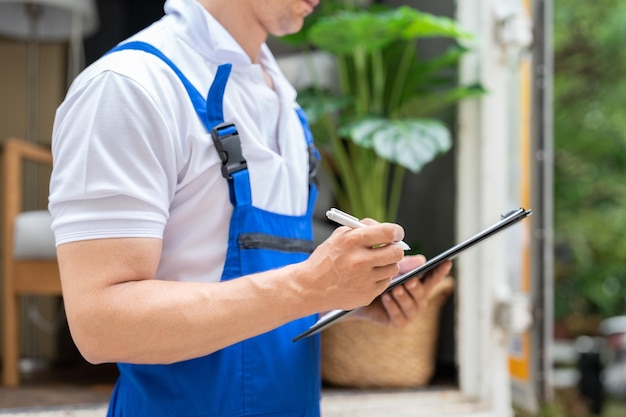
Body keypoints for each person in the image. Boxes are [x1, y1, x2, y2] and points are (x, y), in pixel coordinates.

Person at [48, 0, 452, 416]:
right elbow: (100, 325)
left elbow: (266, 291)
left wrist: (344, 296)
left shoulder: (288, 109)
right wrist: (308, 286)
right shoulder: (130, 87)